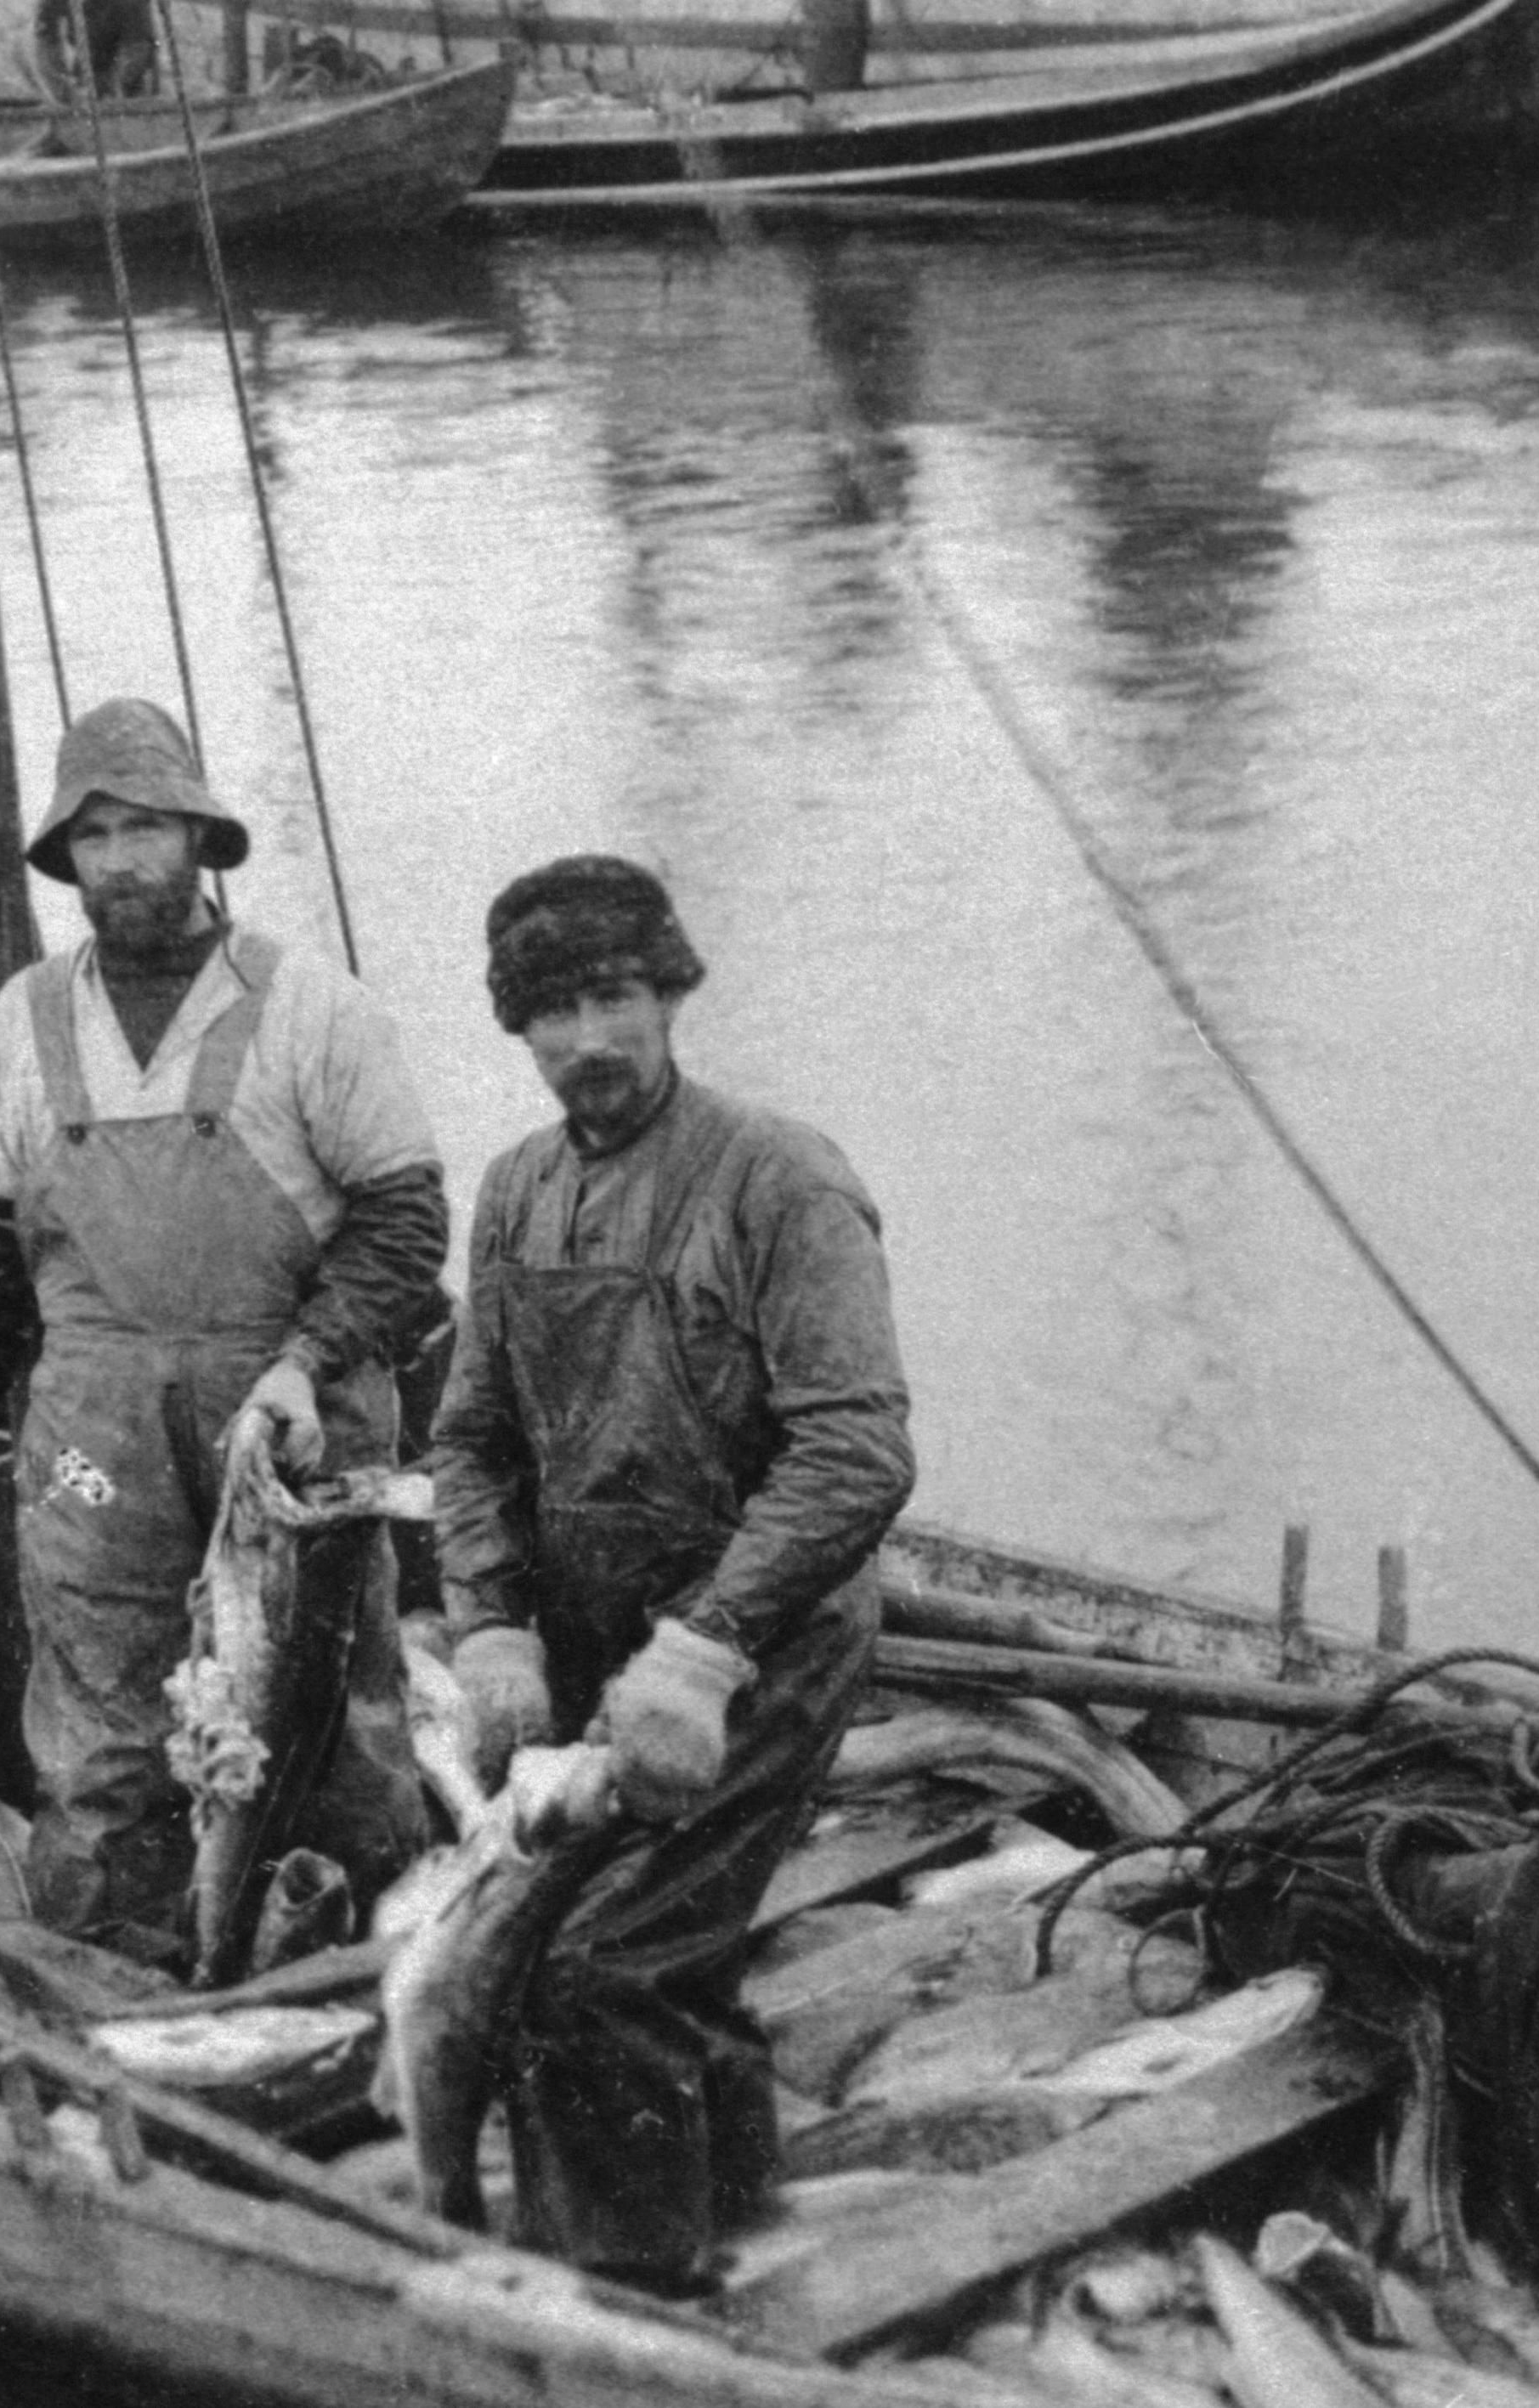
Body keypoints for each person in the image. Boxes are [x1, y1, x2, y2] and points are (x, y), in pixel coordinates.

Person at [427, 856, 914, 2298]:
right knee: (617, 1957)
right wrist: (491, 1618)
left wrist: (702, 1647)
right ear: (515, 1029)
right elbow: (468, 1435)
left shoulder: (779, 1178)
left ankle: (627, 2298)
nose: (590, 1035)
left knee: (598, 1965)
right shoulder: (514, 1190)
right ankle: (733, 2211)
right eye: (553, 1009)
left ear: (669, 993)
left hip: (757, 1649)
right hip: (586, 1647)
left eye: (615, 994)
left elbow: (856, 1451)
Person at [0, 698, 446, 1954]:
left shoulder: (314, 1008)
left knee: (334, 1710)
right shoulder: (23, 1024)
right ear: (66, 858)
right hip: (94, 1445)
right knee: (97, 1717)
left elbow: (408, 1224)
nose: (124, 859)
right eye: (95, 835)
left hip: (291, 1431)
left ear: (200, 837)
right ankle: (118, 1973)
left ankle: (357, 1963)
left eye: (147, 827)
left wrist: (308, 1365)